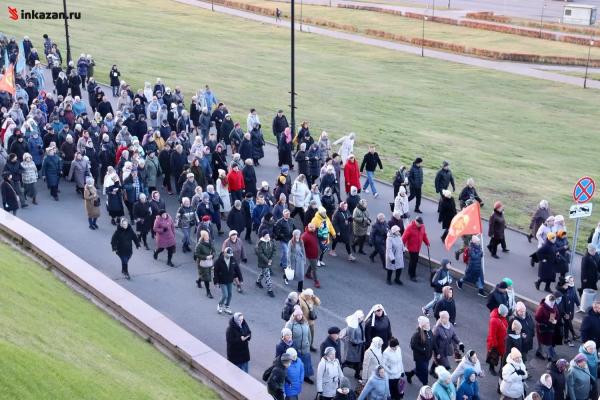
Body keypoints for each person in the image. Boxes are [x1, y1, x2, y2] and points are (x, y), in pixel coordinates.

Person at [286, 305, 314, 384]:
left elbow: (309, 335)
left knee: (306, 363)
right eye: (297, 315)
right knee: (295, 364)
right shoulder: (290, 324)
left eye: (301, 315)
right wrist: (290, 346)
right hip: (295, 348)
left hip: (305, 347)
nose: (299, 316)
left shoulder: (305, 323)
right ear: (294, 315)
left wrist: (309, 343)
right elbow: (286, 336)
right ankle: (294, 377)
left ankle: (306, 376)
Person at [214, 247, 243, 315]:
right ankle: (220, 305)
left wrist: (240, 279)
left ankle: (227, 307)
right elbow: (215, 272)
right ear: (224, 253)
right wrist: (216, 282)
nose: (229, 256)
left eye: (231, 255)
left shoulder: (233, 259)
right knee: (225, 295)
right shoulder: (219, 261)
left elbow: (237, 270)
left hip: (230, 280)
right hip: (222, 281)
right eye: (228, 255)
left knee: (230, 294)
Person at [406, 316, 433, 386]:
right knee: (424, 371)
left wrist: (435, 350)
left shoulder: (429, 331)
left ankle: (410, 374)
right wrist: (423, 350)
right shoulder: (416, 335)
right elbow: (413, 345)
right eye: (427, 323)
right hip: (420, 358)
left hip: (427, 356)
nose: (429, 324)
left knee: (420, 369)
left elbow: (432, 340)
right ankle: (425, 385)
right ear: (423, 325)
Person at [402, 217, 430, 282]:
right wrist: (401, 246)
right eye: (419, 223)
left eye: (421, 224)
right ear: (416, 221)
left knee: (413, 260)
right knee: (414, 261)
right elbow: (404, 237)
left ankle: (410, 271)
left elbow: (424, 235)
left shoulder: (422, 226)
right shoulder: (410, 227)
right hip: (412, 247)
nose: (420, 225)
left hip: (418, 247)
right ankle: (412, 275)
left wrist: (427, 242)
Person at [535, 294, 560, 362]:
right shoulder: (541, 308)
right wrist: (548, 321)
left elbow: (557, 313)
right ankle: (549, 355)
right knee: (544, 342)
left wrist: (556, 319)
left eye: (553, 302)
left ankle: (541, 353)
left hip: (550, 327)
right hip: (543, 327)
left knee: (547, 341)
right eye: (551, 302)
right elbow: (537, 318)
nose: (552, 303)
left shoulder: (553, 305)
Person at [486, 304, 509, 376]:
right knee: (493, 357)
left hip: (502, 342)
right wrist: (494, 345)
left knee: (503, 357)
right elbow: (492, 334)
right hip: (496, 344)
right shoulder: (493, 321)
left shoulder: (502, 318)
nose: (507, 314)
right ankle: (491, 368)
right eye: (506, 313)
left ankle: (501, 370)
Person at [343, 310, 365, 379]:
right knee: (347, 361)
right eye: (362, 317)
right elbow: (351, 339)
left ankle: (357, 374)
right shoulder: (352, 326)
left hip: (358, 348)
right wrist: (360, 341)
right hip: (352, 348)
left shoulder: (358, 324)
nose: (363, 318)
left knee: (358, 361)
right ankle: (340, 370)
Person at [194, 230, 216, 298]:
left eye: (208, 236)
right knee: (206, 277)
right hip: (202, 263)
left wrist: (213, 255)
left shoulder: (210, 242)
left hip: (209, 262)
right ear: (203, 237)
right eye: (206, 236)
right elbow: (196, 254)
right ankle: (208, 292)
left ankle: (198, 281)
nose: (208, 237)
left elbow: (214, 250)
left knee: (206, 275)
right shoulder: (199, 245)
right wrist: (206, 257)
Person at [256, 230, 276, 298]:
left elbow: (274, 250)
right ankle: (270, 290)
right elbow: (260, 254)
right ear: (263, 236)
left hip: (269, 261)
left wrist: (271, 259)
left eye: (268, 235)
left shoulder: (271, 241)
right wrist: (268, 261)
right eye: (266, 236)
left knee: (263, 272)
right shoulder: (260, 243)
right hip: (263, 262)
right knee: (267, 275)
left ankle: (258, 281)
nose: (268, 237)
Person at [301, 223, 321, 288]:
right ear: (308, 227)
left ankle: (307, 274)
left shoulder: (314, 233)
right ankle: (316, 281)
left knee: (312, 264)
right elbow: (300, 245)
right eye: (311, 227)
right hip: (311, 254)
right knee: (314, 269)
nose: (313, 228)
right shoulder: (305, 236)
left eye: (313, 227)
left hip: (316, 253)